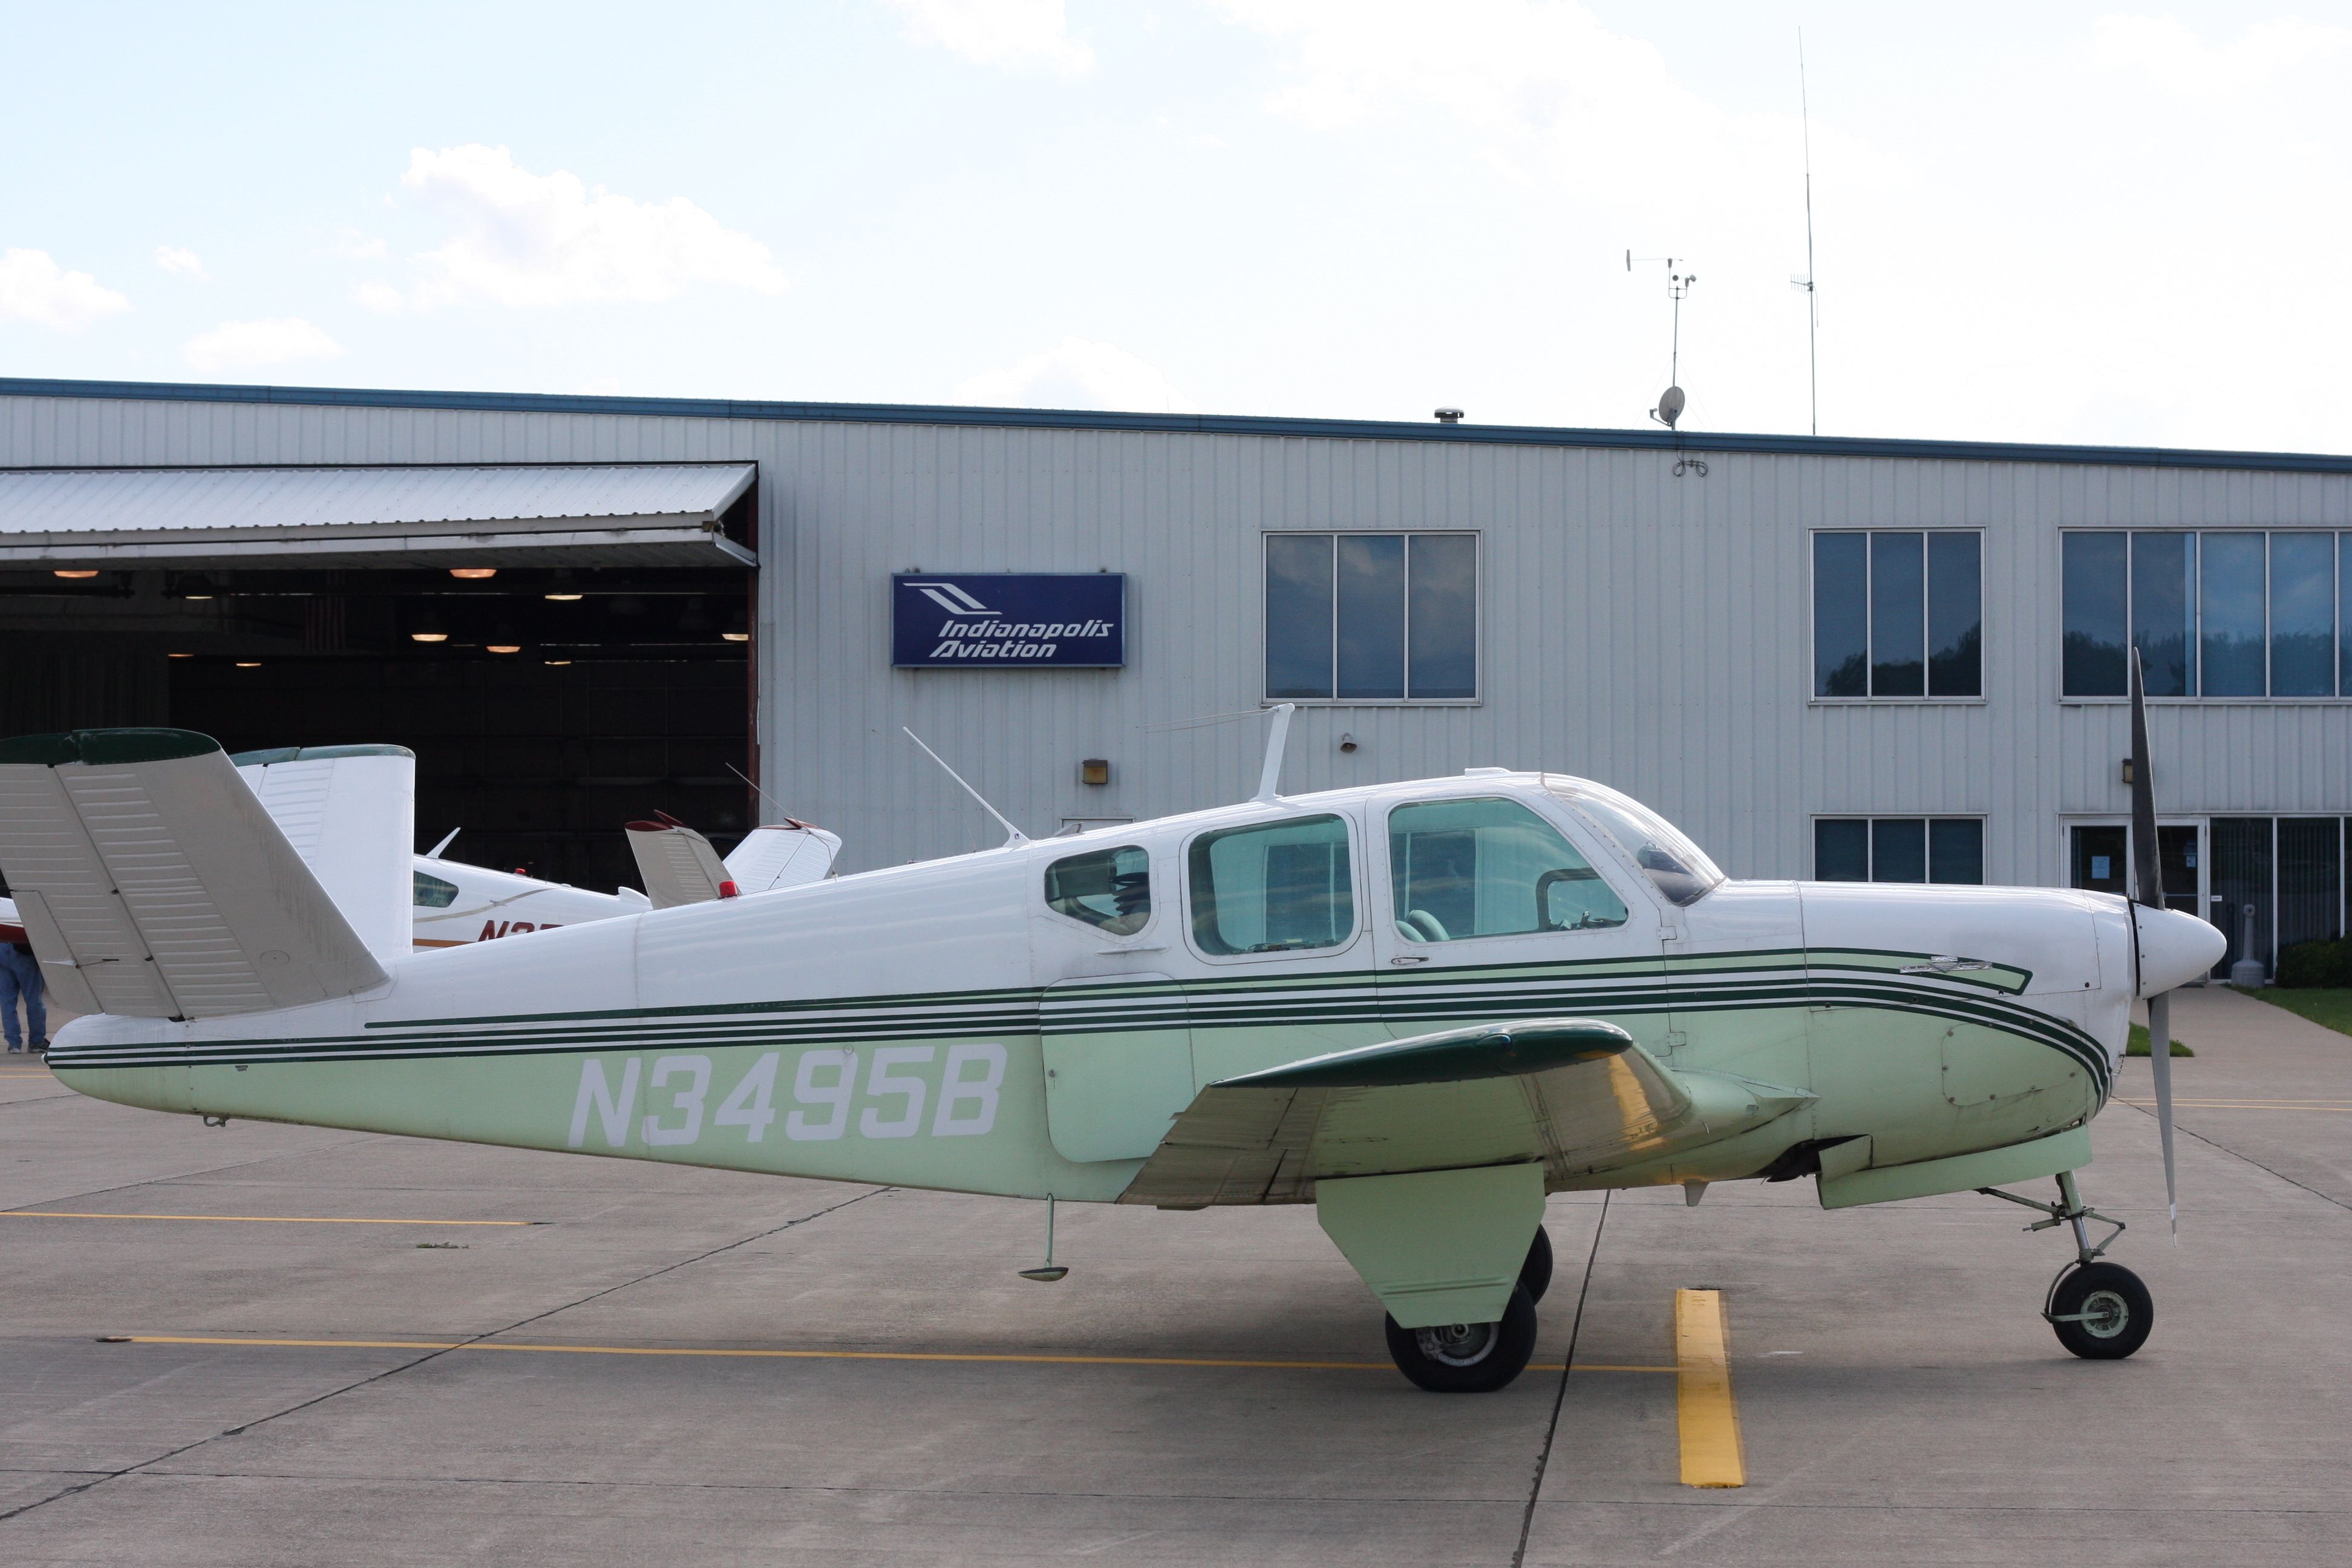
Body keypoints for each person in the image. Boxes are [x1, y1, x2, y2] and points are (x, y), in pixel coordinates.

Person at [0, 941, 46, 1054]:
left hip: (2, 949)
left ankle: (14, 1044)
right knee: (34, 1000)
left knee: (7, 1001)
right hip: (22, 950)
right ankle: (37, 1042)